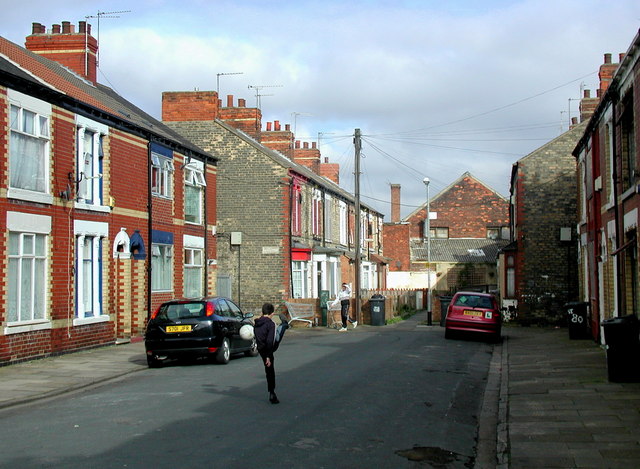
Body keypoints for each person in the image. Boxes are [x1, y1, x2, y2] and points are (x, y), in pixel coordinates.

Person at [254, 303, 290, 404]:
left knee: (268, 370)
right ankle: (284, 324)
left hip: (261, 349)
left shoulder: (256, 323)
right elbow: (270, 341)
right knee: (279, 332)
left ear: (262, 312)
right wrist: (269, 357)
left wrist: (265, 356)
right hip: (270, 348)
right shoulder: (270, 324)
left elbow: (258, 339)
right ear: (272, 313)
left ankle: (271, 392)